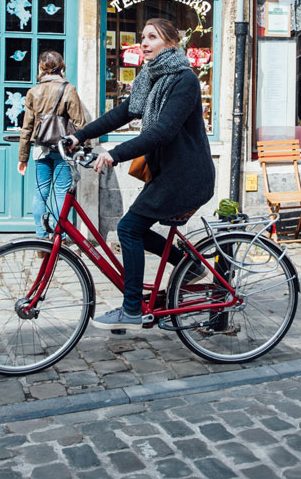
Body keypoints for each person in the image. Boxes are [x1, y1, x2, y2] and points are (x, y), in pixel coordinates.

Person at [66, 18, 215, 328]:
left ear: (172, 43)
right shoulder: (151, 77)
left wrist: (114, 155)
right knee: (134, 228)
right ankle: (188, 264)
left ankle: (132, 307)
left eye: (152, 37)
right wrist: (80, 136)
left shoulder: (184, 80)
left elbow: (162, 132)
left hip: (187, 176)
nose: (144, 43)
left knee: (129, 229)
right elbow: (123, 113)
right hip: (168, 173)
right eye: (142, 37)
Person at [17, 51, 88, 238]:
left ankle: (41, 238)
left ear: (41, 68)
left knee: (40, 192)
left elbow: (27, 127)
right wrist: (84, 148)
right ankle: (59, 238)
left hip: (41, 148)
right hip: (64, 148)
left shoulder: (33, 91)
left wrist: (22, 157)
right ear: (61, 66)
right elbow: (80, 123)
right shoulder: (68, 89)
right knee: (61, 193)